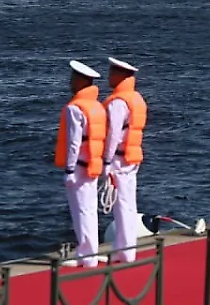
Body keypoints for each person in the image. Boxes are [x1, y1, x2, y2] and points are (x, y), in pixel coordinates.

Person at [55, 60, 107, 267]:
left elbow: (74, 142)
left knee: (80, 211)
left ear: (80, 81)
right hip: (93, 164)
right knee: (90, 209)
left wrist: (69, 169)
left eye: (72, 79)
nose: (70, 83)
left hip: (78, 166)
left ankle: (87, 256)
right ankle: (92, 250)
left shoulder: (75, 108)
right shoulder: (98, 107)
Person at [103, 57, 148, 263]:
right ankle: (127, 247)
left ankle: (125, 251)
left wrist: (106, 161)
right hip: (132, 156)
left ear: (121, 76)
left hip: (119, 159)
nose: (109, 77)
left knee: (121, 204)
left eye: (112, 73)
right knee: (129, 203)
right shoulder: (137, 98)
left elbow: (113, 134)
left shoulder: (118, 102)